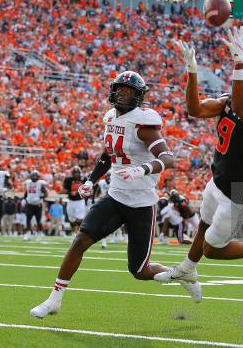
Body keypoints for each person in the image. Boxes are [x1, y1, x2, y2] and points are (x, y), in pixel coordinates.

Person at [30, 70, 193, 319]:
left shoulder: (144, 123)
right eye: (120, 89)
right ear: (113, 91)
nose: (123, 95)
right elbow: (108, 156)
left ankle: (179, 274)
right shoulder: (110, 117)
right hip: (115, 196)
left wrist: (143, 168)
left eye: (129, 92)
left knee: (139, 271)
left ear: (138, 97)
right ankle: (54, 299)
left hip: (141, 203)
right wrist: (90, 180)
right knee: (80, 241)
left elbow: (168, 158)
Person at [155, 28, 243, 296]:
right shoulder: (234, 98)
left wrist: (239, 64)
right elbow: (195, 109)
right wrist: (192, 71)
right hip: (218, 179)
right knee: (203, 228)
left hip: (238, 192)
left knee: (212, 248)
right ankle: (187, 269)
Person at [22, 170, 48, 241]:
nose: (34, 177)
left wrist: (40, 198)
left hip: (37, 205)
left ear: (38, 177)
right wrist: (24, 199)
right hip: (29, 204)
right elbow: (26, 193)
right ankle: (28, 234)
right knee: (28, 219)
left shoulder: (40, 184)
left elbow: (46, 194)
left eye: (35, 176)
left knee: (38, 221)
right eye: (33, 176)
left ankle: (39, 234)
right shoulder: (28, 183)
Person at [62, 166, 86, 237]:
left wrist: (80, 193)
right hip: (71, 201)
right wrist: (70, 192)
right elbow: (64, 190)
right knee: (72, 220)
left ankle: (78, 234)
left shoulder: (84, 179)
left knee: (80, 219)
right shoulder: (68, 180)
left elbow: (88, 190)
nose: (76, 174)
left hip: (80, 201)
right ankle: (73, 233)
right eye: (75, 173)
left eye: (77, 173)